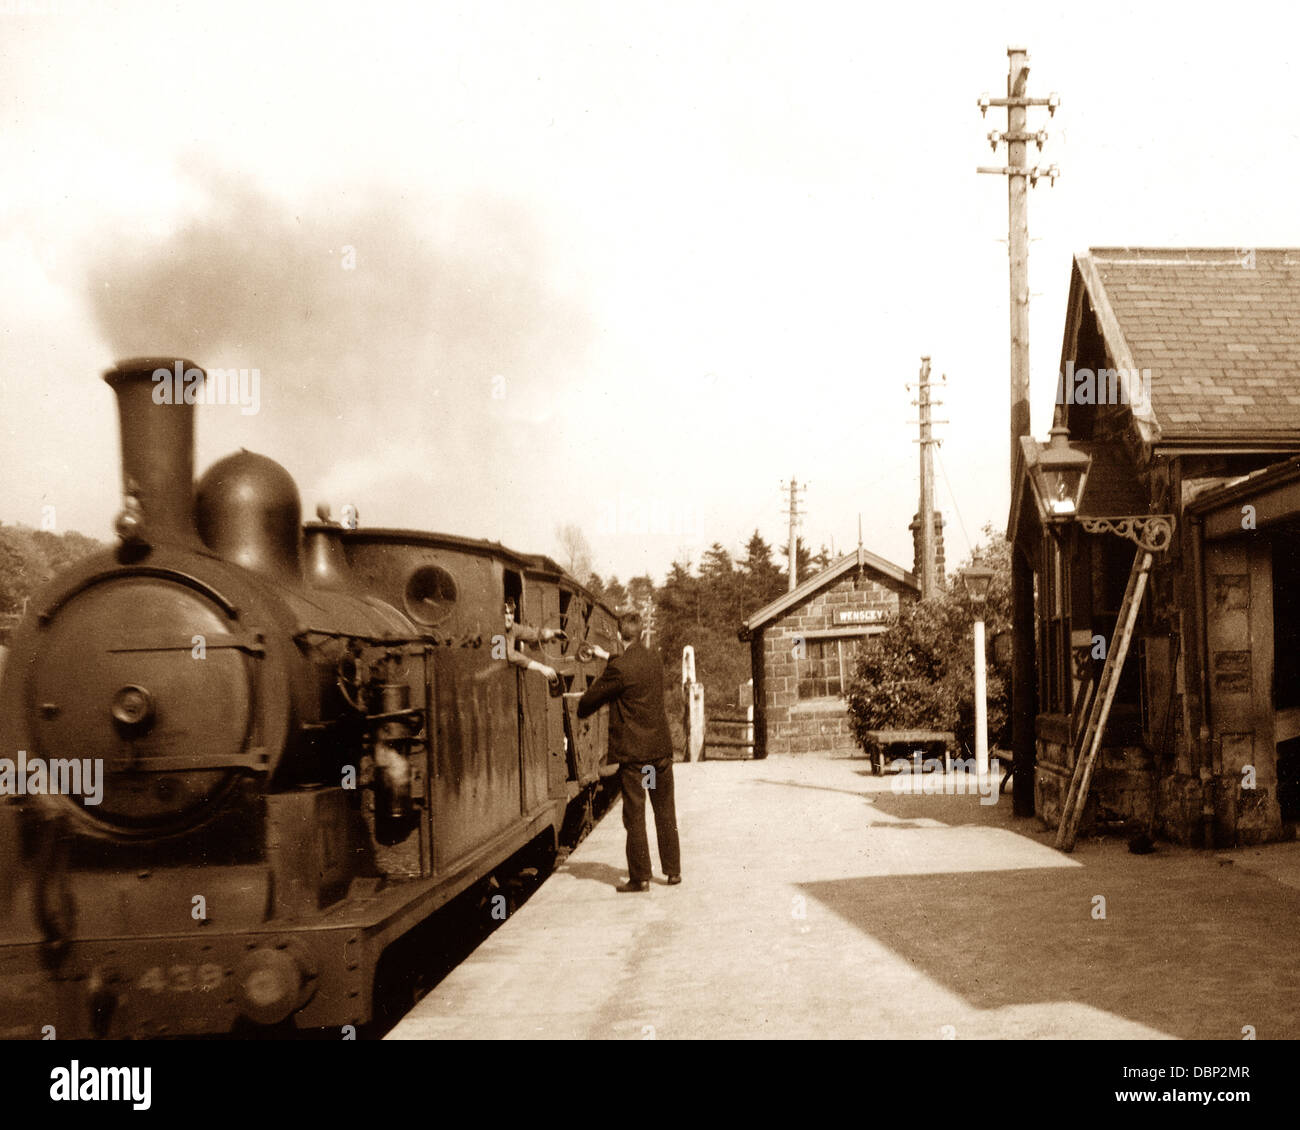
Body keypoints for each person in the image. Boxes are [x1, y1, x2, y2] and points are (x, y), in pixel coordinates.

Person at [577, 610, 681, 892]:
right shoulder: (654, 659)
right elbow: (631, 665)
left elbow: (590, 701)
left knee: (635, 815)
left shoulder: (619, 669)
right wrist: (606, 655)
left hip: (635, 758)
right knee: (665, 811)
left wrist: (581, 706)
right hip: (659, 753)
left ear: (618, 635)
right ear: (641, 633)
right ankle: (673, 872)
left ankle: (641, 878)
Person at [502, 601, 563, 688]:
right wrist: (541, 667)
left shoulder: (513, 628)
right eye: (505, 613)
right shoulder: (495, 630)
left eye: (511, 613)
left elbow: (531, 633)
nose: (509, 618)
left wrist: (552, 633)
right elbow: (510, 655)